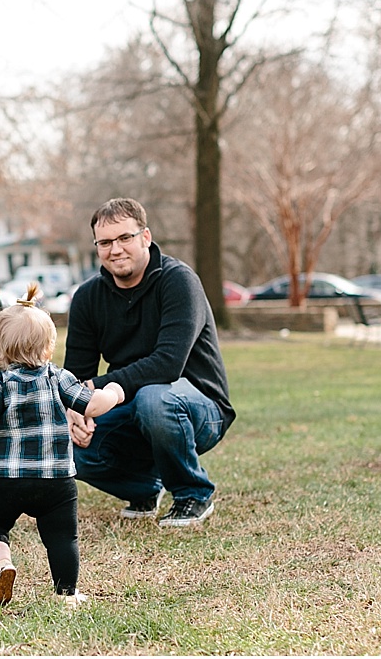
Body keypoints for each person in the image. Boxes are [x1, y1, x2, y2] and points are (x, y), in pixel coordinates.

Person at [0, 283, 125, 606]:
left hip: (7, 480)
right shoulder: (59, 378)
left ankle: (1, 565)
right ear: (48, 348)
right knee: (61, 537)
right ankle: (66, 595)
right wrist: (114, 391)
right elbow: (92, 405)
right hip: (57, 482)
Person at [64, 197, 236, 528]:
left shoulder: (178, 281)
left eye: (125, 238)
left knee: (154, 399)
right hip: (132, 406)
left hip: (198, 407)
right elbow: (77, 375)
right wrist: (75, 411)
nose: (115, 249)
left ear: (145, 237)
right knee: (62, 442)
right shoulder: (87, 298)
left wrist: (101, 389)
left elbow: (167, 364)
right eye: (105, 242)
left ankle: (192, 494)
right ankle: (144, 488)